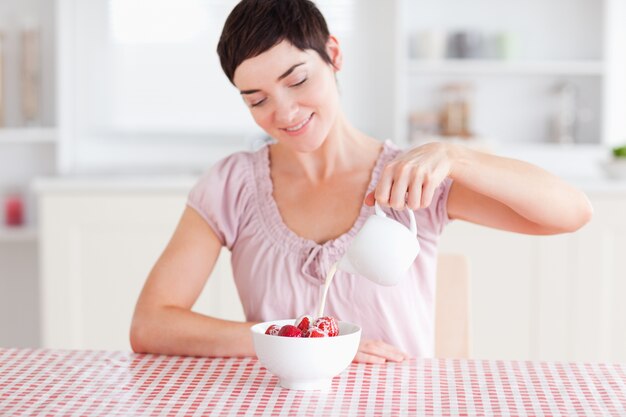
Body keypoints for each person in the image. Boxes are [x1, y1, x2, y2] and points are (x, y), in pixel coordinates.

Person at [130, 0, 593, 363]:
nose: (285, 113)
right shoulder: (232, 184)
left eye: (297, 80)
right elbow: (151, 325)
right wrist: (289, 340)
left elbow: (572, 213)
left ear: (332, 54)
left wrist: (456, 156)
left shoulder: (411, 178)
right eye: (258, 100)